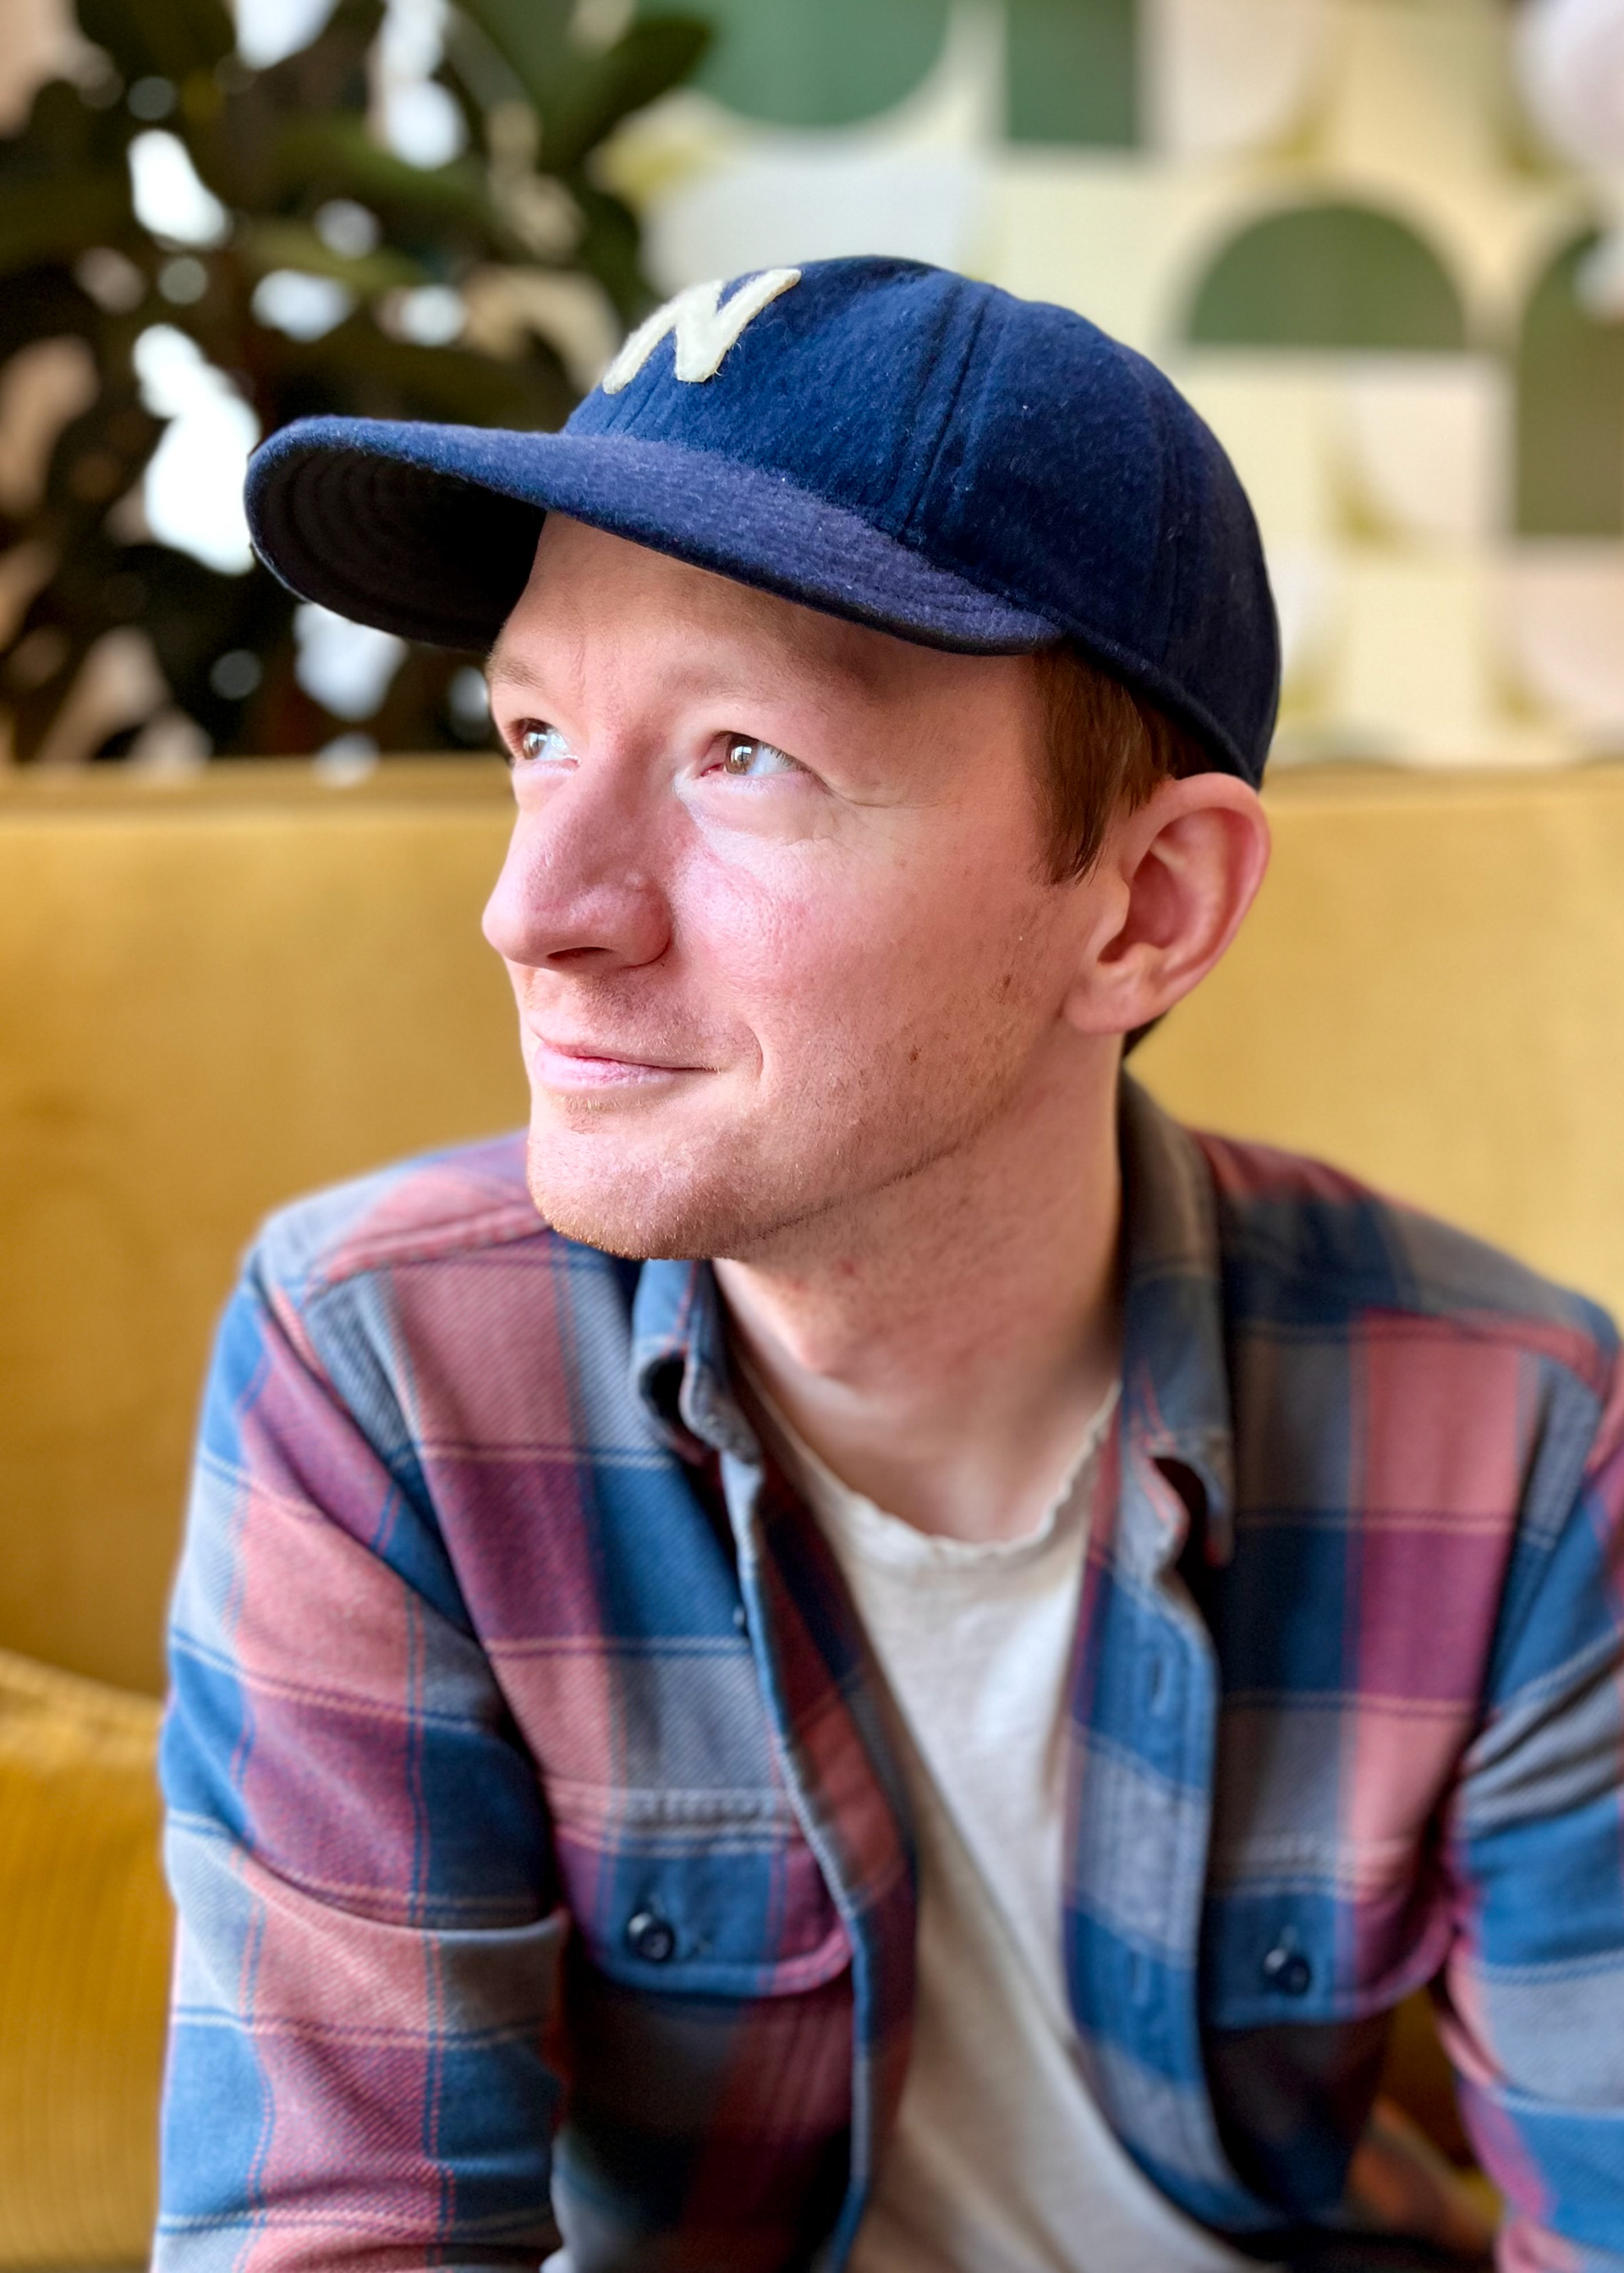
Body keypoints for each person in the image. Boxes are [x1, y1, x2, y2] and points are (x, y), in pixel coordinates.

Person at [155, 258, 1624, 2273]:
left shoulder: (1522, 1443)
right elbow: (331, 2237)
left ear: (1146, 909)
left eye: (739, 753)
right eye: (532, 729)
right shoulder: (382, 1374)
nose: (532, 908)